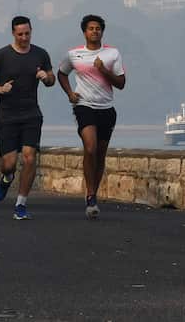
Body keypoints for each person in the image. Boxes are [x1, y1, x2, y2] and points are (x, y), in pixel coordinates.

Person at [0, 15, 55, 220]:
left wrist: (46, 78)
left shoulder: (40, 54)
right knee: (9, 164)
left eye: (27, 33)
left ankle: (21, 204)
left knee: (30, 158)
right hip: (7, 116)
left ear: (31, 32)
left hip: (31, 114)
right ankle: (6, 178)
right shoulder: (1, 55)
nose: (24, 37)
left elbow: (52, 78)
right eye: (20, 34)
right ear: (13, 33)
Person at [57, 14, 126, 219]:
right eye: (91, 28)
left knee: (101, 154)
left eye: (98, 28)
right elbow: (62, 73)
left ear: (102, 32)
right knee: (90, 147)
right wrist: (70, 93)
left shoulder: (112, 53)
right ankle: (90, 195)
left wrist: (103, 70)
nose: (95, 31)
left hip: (107, 109)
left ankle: (93, 193)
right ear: (84, 32)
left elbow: (121, 83)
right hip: (84, 105)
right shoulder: (74, 54)